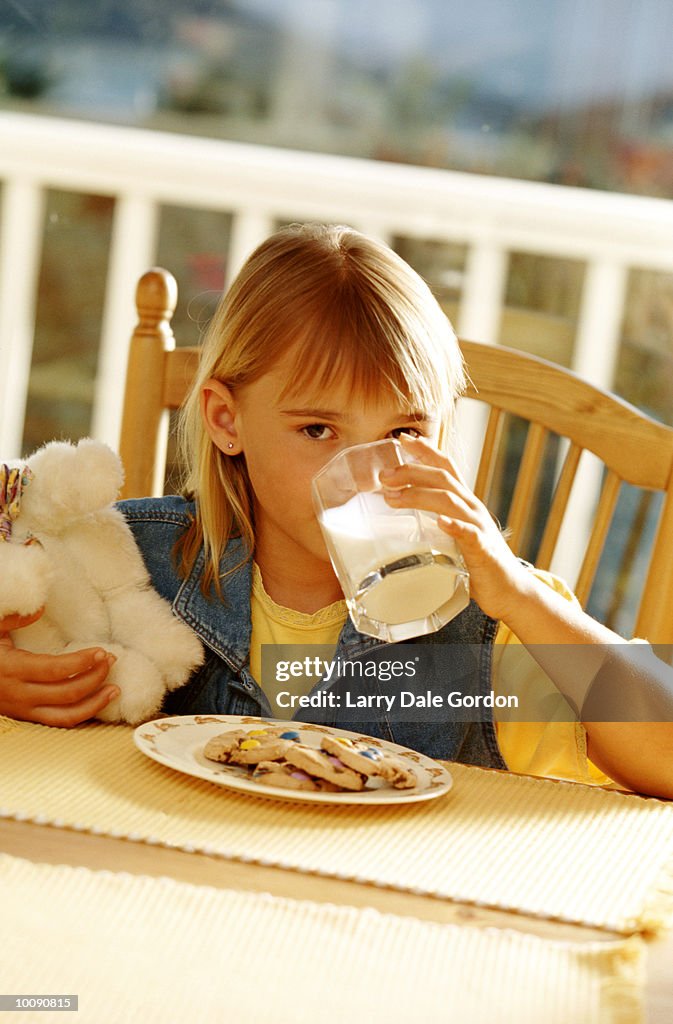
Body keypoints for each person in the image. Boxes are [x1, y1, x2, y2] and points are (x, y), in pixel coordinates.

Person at [2, 223, 672, 798]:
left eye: (404, 434)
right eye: (318, 430)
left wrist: (522, 597)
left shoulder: (487, 626)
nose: (365, 476)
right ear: (226, 419)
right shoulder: (119, 561)